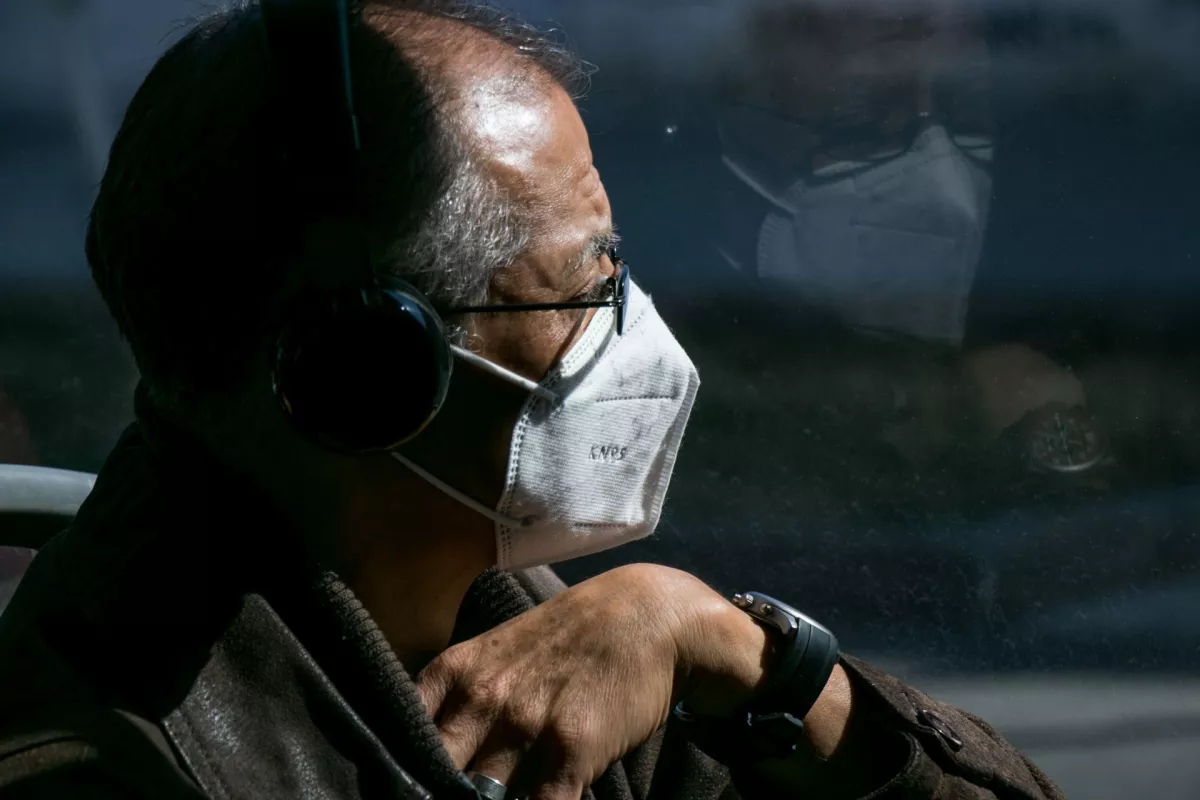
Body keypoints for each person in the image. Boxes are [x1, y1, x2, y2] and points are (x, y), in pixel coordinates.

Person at [0, 2, 1064, 799]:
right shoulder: (96, 762)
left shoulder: (559, 640)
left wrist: (733, 650)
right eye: (589, 279)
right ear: (372, 374)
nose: (630, 321)